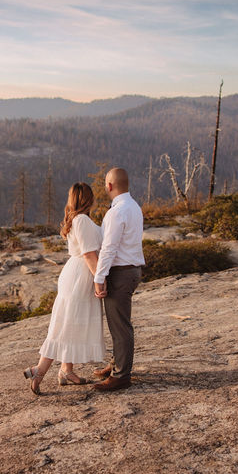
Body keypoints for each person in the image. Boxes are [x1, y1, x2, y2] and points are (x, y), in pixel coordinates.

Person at [24, 183, 105, 395]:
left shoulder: (76, 219)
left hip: (75, 273)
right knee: (67, 324)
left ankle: (66, 371)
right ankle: (39, 370)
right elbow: (89, 254)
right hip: (82, 274)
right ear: (89, 199)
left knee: (72, 322)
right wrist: (100, 279)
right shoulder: (83, 221)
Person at [91, 167, 145, 392]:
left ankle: (122, 375)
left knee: (120, 326)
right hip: (132, 270)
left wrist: (99, 276)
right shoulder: (134, 207)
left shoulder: (117, 211)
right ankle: (116, 365)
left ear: (110, 186)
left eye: (105, 183)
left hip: (120, 273)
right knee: (119, 323)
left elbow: (109, 248)